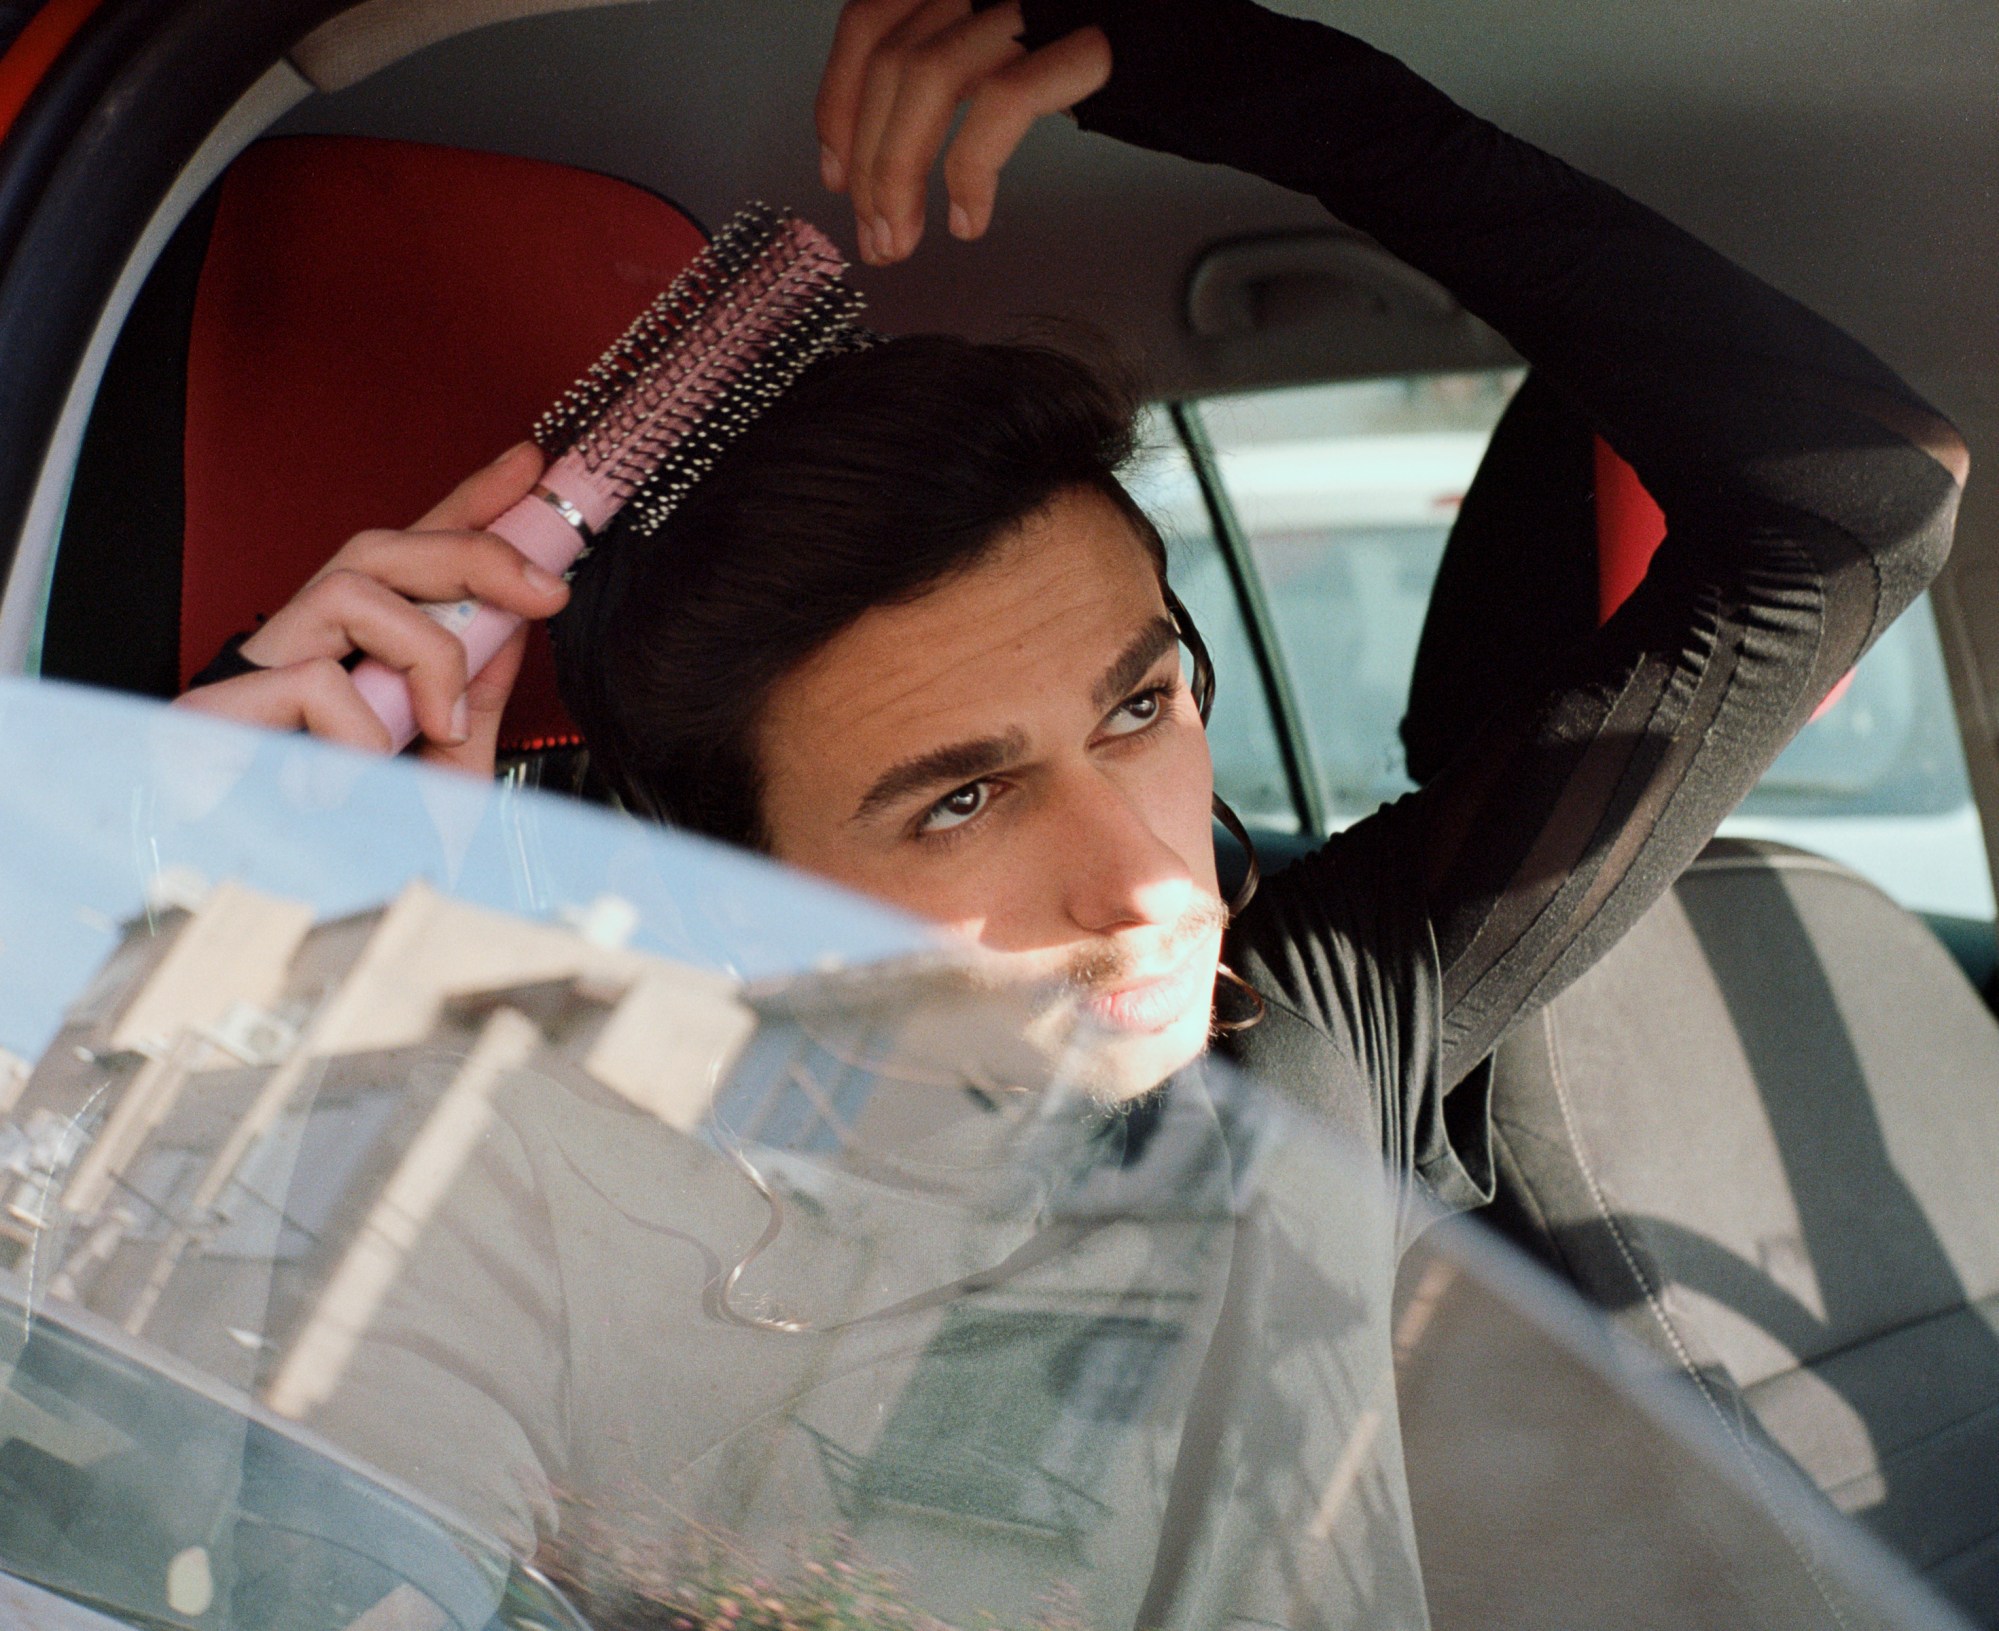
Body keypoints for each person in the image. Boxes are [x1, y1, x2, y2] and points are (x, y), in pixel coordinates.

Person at [166, 1, 1966, 1618]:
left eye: (1139, 705)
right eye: (957, 803)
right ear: (741, 890)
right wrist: (172, 906)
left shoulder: (1310, 1031)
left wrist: (1250, 72)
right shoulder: (530, 1206)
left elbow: (1860, 504)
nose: (1140, 891)